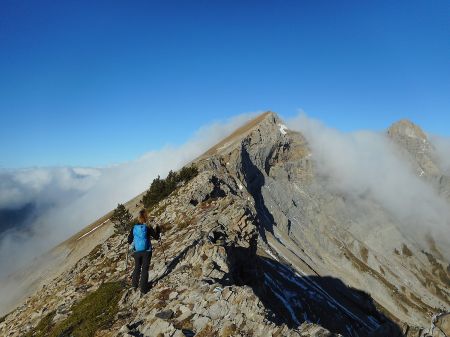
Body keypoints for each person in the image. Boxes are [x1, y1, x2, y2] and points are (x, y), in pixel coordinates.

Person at [127, 209, 161, 293]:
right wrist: (158, 229)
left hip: (137, 251)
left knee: (137, 267)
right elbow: (156, 237)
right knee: (145, 269)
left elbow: (129, 240)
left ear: (138, 217)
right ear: (146, 217)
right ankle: (143, 288)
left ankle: (134, 286)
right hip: (147, 251)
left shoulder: (134, 228)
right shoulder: (148, 227)